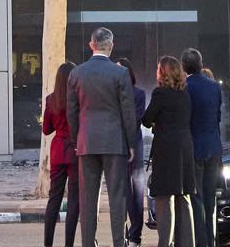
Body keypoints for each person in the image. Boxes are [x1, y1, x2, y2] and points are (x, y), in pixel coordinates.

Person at [67, 27, 137, 247]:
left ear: (91, 45)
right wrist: (131, 142)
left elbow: (72, 112)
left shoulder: (76, 73)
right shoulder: (120, 73)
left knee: (87, 198)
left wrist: (76, 139)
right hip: (115, 142)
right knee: (117, 196)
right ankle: (119, 242)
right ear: (111, 45)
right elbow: (128, 112)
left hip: (86, 141)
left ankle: (88, 242)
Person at [143, 56, 196, 247]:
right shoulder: (185, 93)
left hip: (166, 150)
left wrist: (156, 124)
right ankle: (187, 243)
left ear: (163, 72)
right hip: (184, 147)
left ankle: (165, 243)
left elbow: (147, 119)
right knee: (184, 197)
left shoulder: (160, 93)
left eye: (158, 69)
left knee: (165, 199)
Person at [181, 48, 222, 247]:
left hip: (193, 148)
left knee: (196, 199)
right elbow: (217, 118)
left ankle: (201, 242)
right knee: (210, 198)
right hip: (213, 146)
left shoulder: (184, 87)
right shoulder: (214, 87)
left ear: (183, 66)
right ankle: (211, 240)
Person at [43, 61, 79, 247]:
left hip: (57, 151)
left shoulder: (51, 99)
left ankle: (47, 243)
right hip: (74, 151)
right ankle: (69, 244)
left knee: (54, 199)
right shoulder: (78, 98)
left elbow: (46, 130)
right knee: (74, 200)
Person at [117, 58, 147, 247]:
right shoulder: (113, 93)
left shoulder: (138, 94)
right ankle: (123, 233)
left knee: (136, 191)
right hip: (116, 147)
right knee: (122, 192)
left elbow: (136, 120)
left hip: (134, 145)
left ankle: (135, 235)